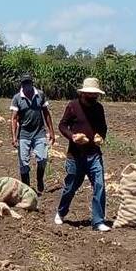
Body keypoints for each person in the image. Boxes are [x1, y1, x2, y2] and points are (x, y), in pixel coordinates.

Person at [54, 77, 110, 232]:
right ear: (83, 94)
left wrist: (100, 137)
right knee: (71, 187)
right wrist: (72, 136)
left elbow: (103, 127)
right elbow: (62, 125)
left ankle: (98, 221)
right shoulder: (73, 106)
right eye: (90, 94)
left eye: (95, 95)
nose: (93, 97)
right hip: (75, 156)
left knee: (99, 185)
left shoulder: (99, 108)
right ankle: (61, 212)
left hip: (94, 154)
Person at [10, 74, 57, 195]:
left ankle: (40, 178)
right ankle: (26, 189)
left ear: (32, 83)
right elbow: (14, 118)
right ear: (22, 85)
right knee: (24, 164)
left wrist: (51, 132)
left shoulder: (40, 95)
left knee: (42, 159)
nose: (27, 86)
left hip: (39, 133)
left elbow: (46, 113)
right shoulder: (17, 98)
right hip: (24, 134)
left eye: (29, 83)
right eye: (24, 84)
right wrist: (14, 137)